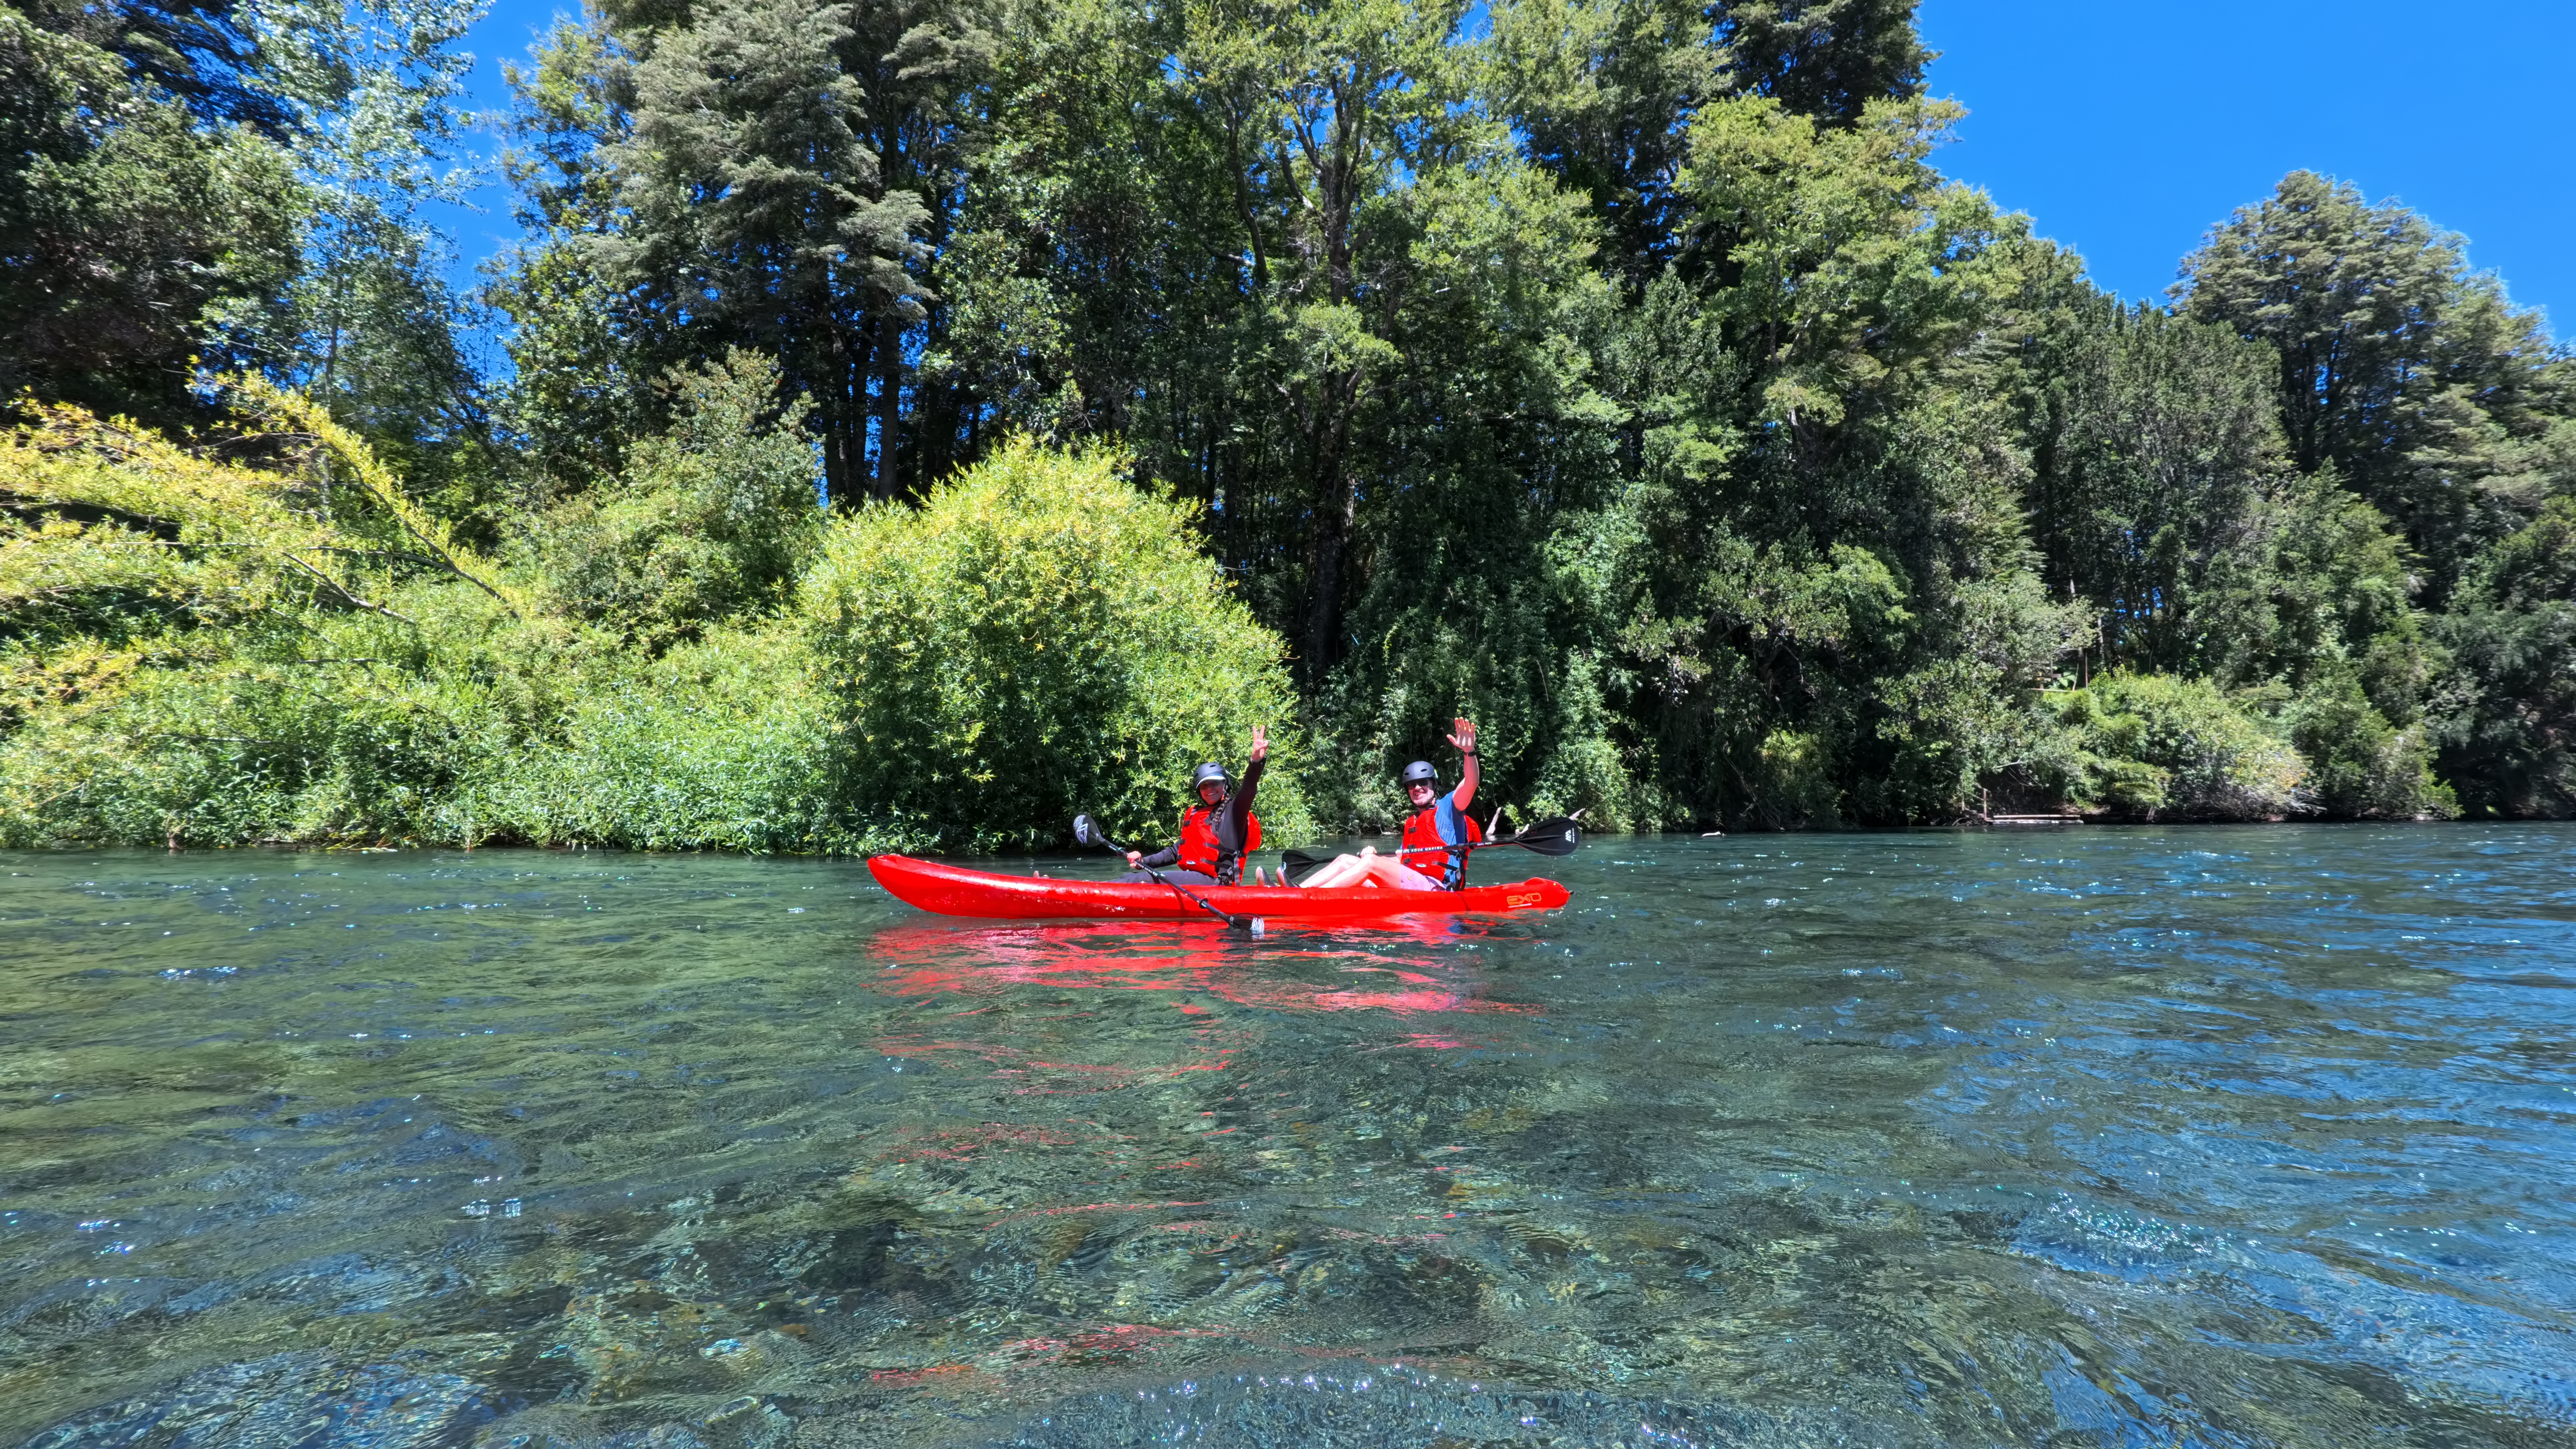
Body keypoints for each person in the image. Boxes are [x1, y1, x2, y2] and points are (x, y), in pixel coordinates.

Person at [1299, 717, 1482, 891]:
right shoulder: (1413, 823)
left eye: (1423, 783)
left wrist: (1469, 752)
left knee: (1371, 864)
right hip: (1414, 879)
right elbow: (1402, 860)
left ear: (1434, 784)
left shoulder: (1449, 808)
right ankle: (1297, 891)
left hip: (1438, 887)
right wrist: (1374, 856)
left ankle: (1310, 898)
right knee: (1344, 860)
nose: (1417, 788)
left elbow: (1472, 782)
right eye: (1411, 785)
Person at [1119, 724, 1268, 885]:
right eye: (1204, 786)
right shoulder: (1196, 815)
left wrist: (1256, 762)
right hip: (1197, 881)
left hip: (1218, 884)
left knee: (1138, 880)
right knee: (1139, 876)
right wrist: (1144, 861)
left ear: (1225, 786)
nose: (1209, 789)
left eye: (1215, 784)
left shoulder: (1234, 812)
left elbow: (1248, 790)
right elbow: (1176, 852)